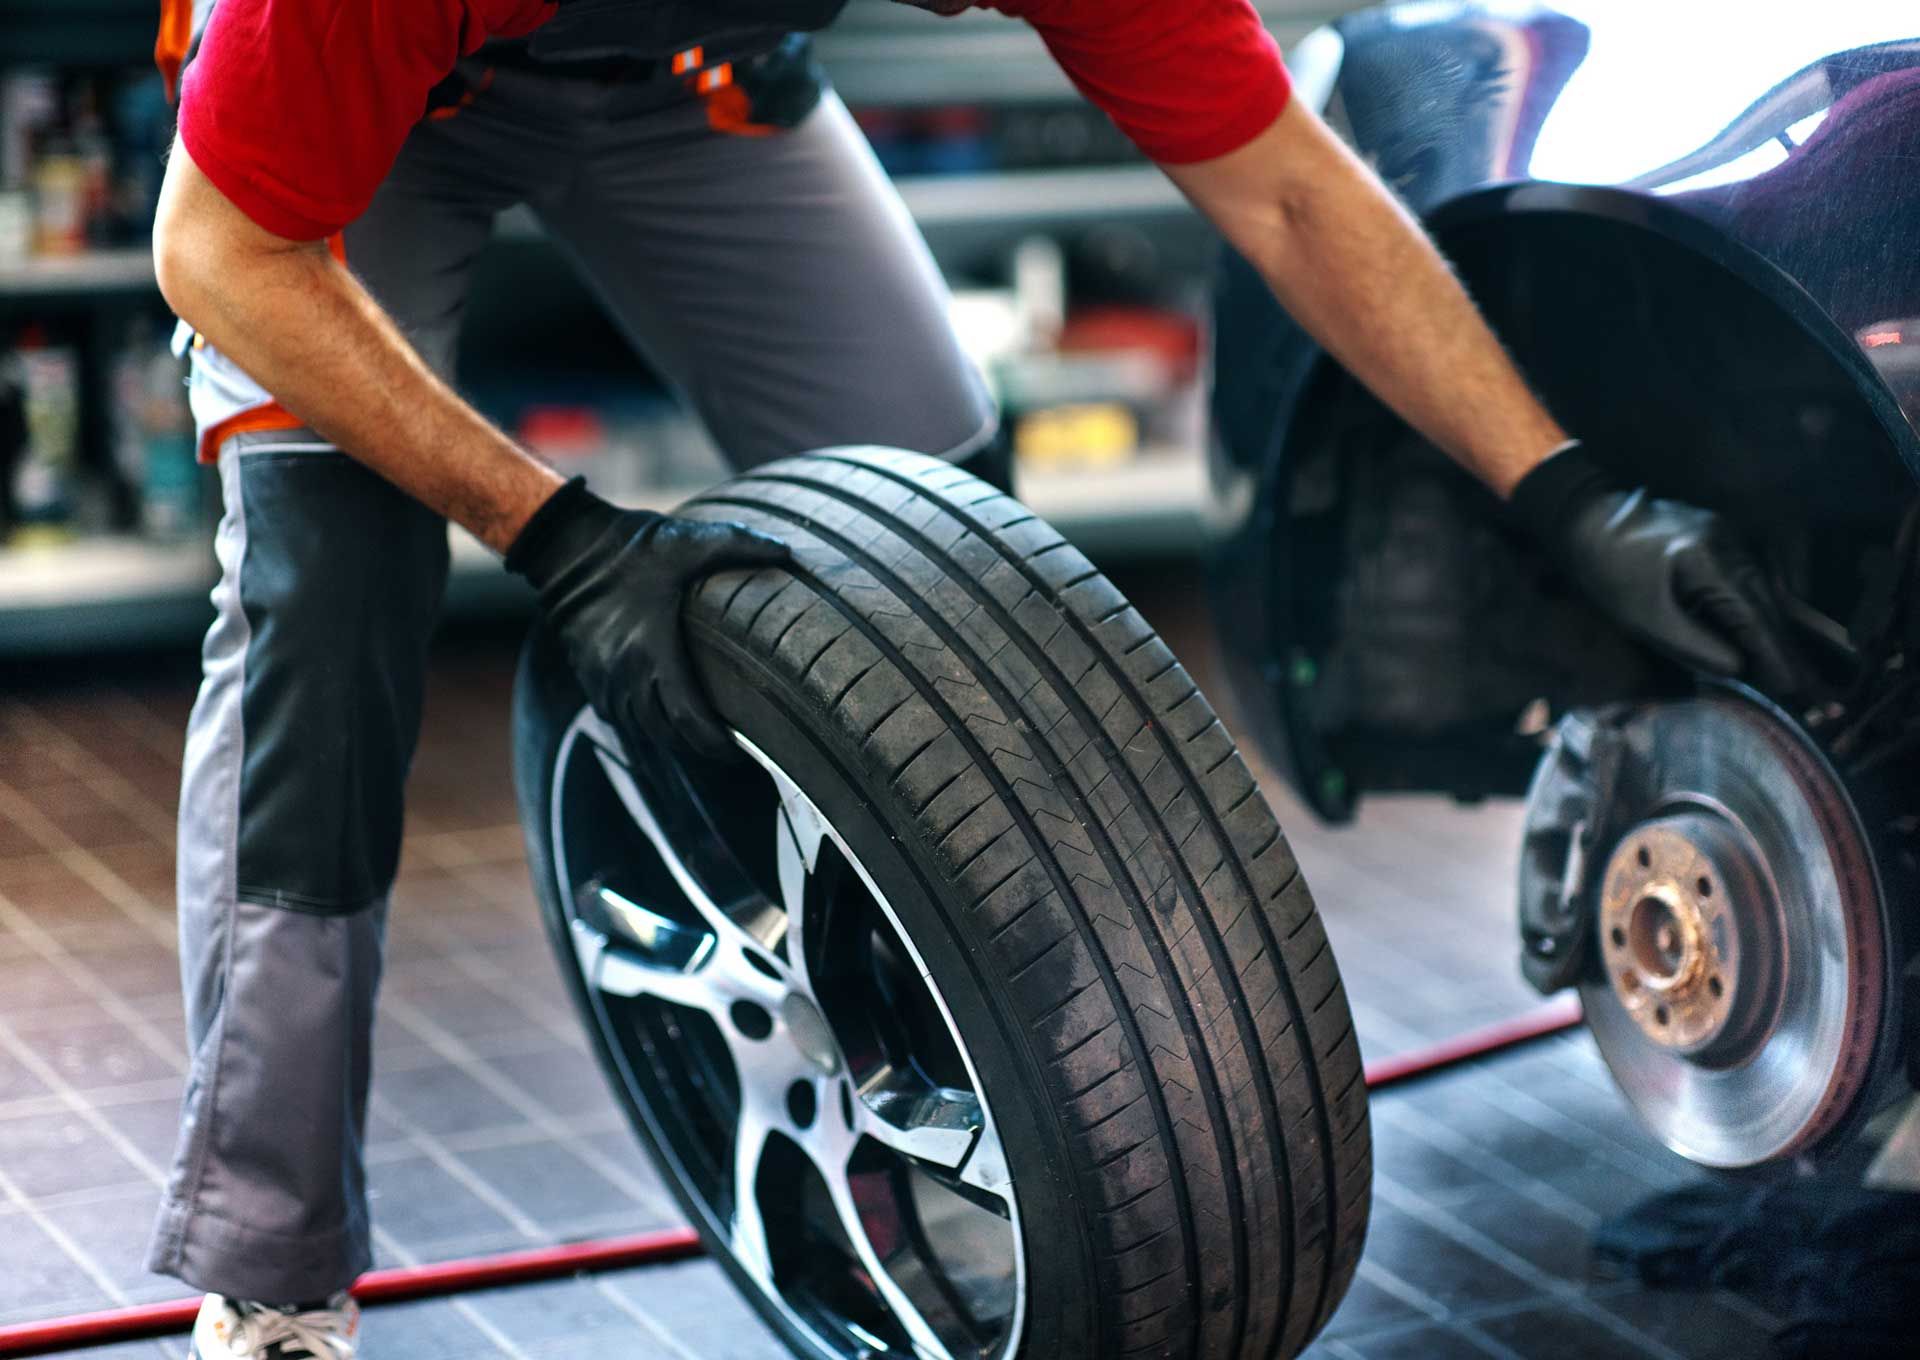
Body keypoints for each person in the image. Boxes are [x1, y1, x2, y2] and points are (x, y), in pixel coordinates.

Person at [147, 0, 1805, 1355]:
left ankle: (914, 1038)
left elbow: (1291, 191)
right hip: (377, 115)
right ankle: (271, 1262)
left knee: (939, 513)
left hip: (696, 84)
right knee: (329, 591)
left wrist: (1569, 491)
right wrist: (563, 535)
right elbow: (222, 250)